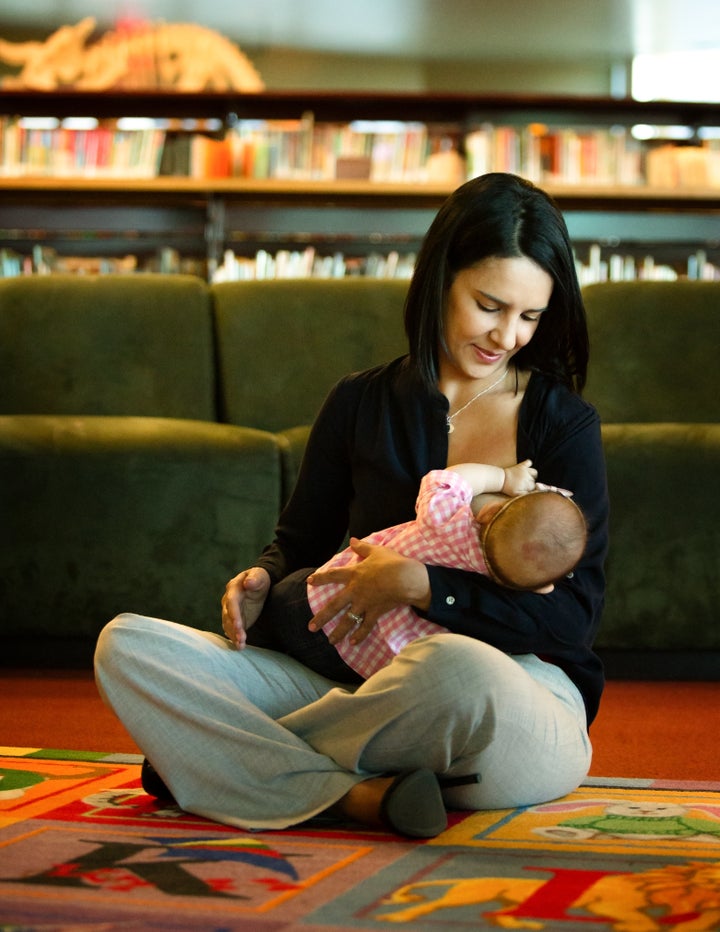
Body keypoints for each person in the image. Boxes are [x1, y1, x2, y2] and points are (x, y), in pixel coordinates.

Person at [94, 171, 609, 839]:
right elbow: (299, 544)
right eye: (489, 305)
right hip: (357, 685)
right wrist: (258, 580)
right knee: (128, 647)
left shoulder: (563, 427)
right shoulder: (360, 401)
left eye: (530, 317)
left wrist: (425, 587)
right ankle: (355, 796)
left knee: (455, 667)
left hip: (504, 702)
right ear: (440, 279)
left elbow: (573, 618)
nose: (507, 335)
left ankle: (236, 762)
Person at [253, 461, 588, 682]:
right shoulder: (505, 583)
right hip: (368, 665)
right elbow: (544, 592)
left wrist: (503, 477)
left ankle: (253, 645)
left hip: (319, 606)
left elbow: (444, 480)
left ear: (489, 512)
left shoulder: (447, 521)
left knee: (285, 597)